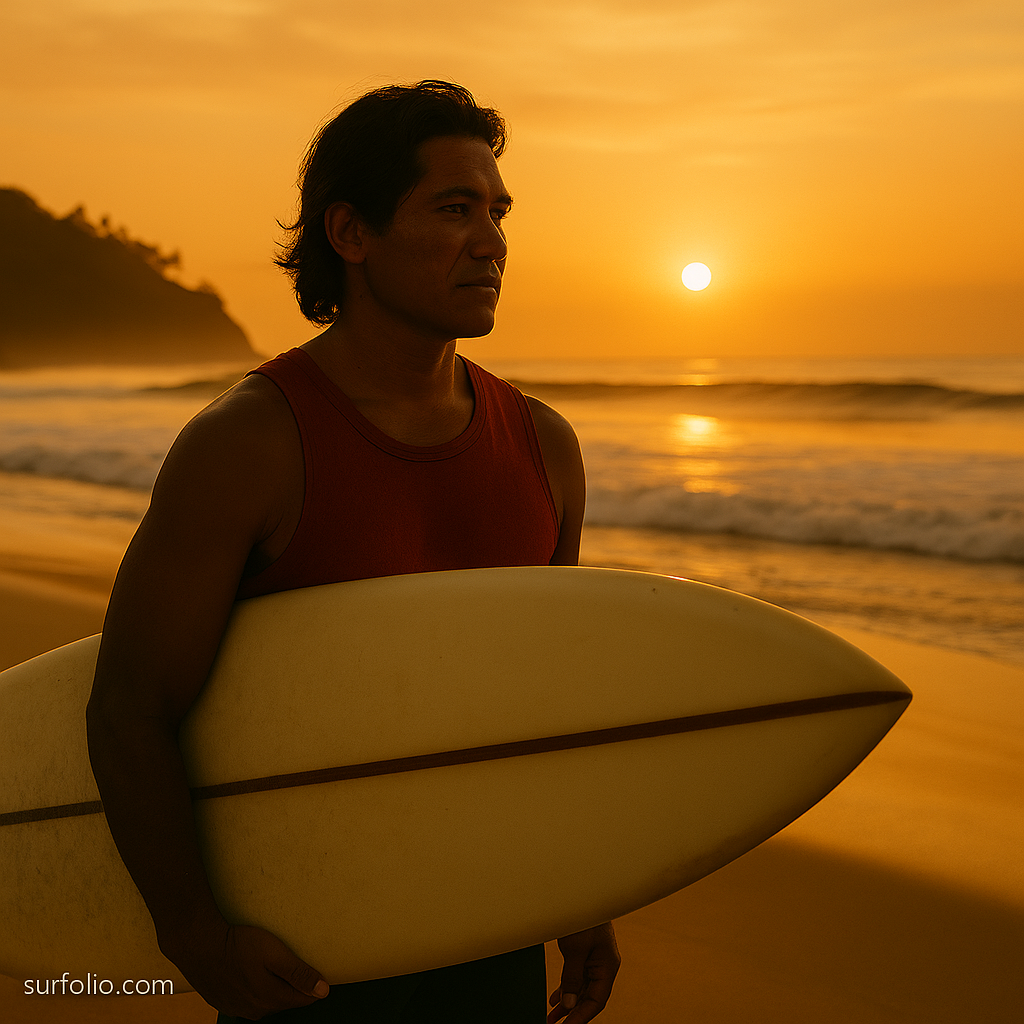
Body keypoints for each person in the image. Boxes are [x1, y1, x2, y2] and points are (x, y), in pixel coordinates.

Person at [86, 80, 620, 1023]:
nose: (492, 241)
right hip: (309, 956)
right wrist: (196, 935)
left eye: (497, 211)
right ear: (350, 233)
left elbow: (542, 706)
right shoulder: (251, 445)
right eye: (454, 210)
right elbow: (131, 708)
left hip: (492, 933)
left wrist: (578, 892)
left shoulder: (545, 447)